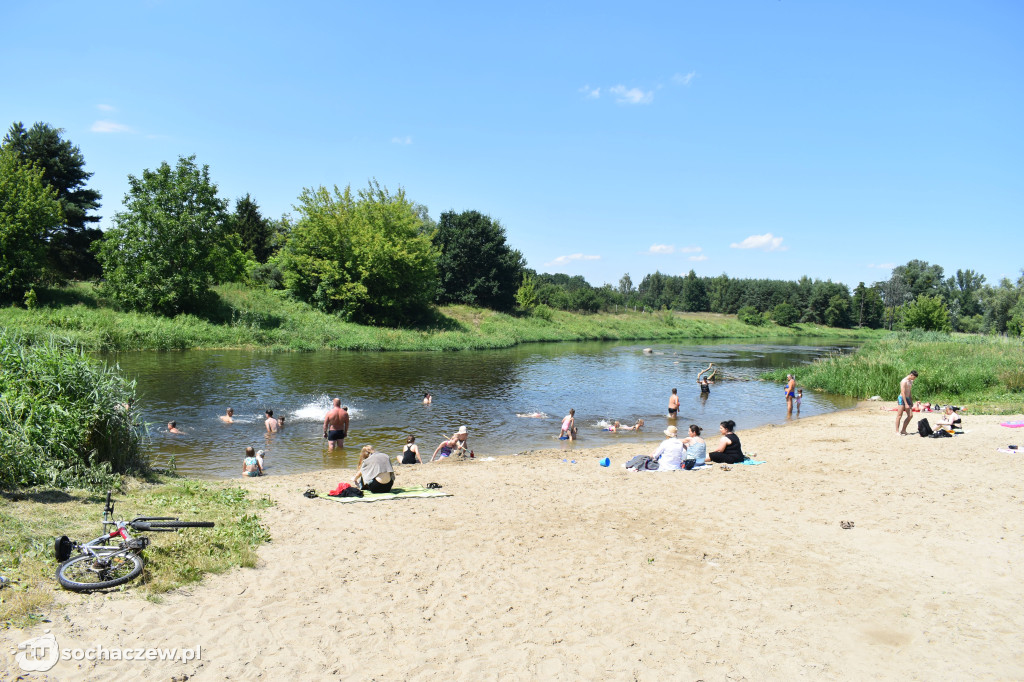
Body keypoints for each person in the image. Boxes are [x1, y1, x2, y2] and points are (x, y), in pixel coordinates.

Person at [896, 371, 919, 435]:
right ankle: (897, 431)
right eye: (914, 377)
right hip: (902, 398)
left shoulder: (911, 381)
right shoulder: (904, 381)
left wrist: (911, 400)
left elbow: (909, 391)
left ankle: (903, 430)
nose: (914, 379)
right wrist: (905, 403)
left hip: (908, 398)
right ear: (911, 375)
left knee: (910, 415)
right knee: (899, 415)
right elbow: (903, 392)